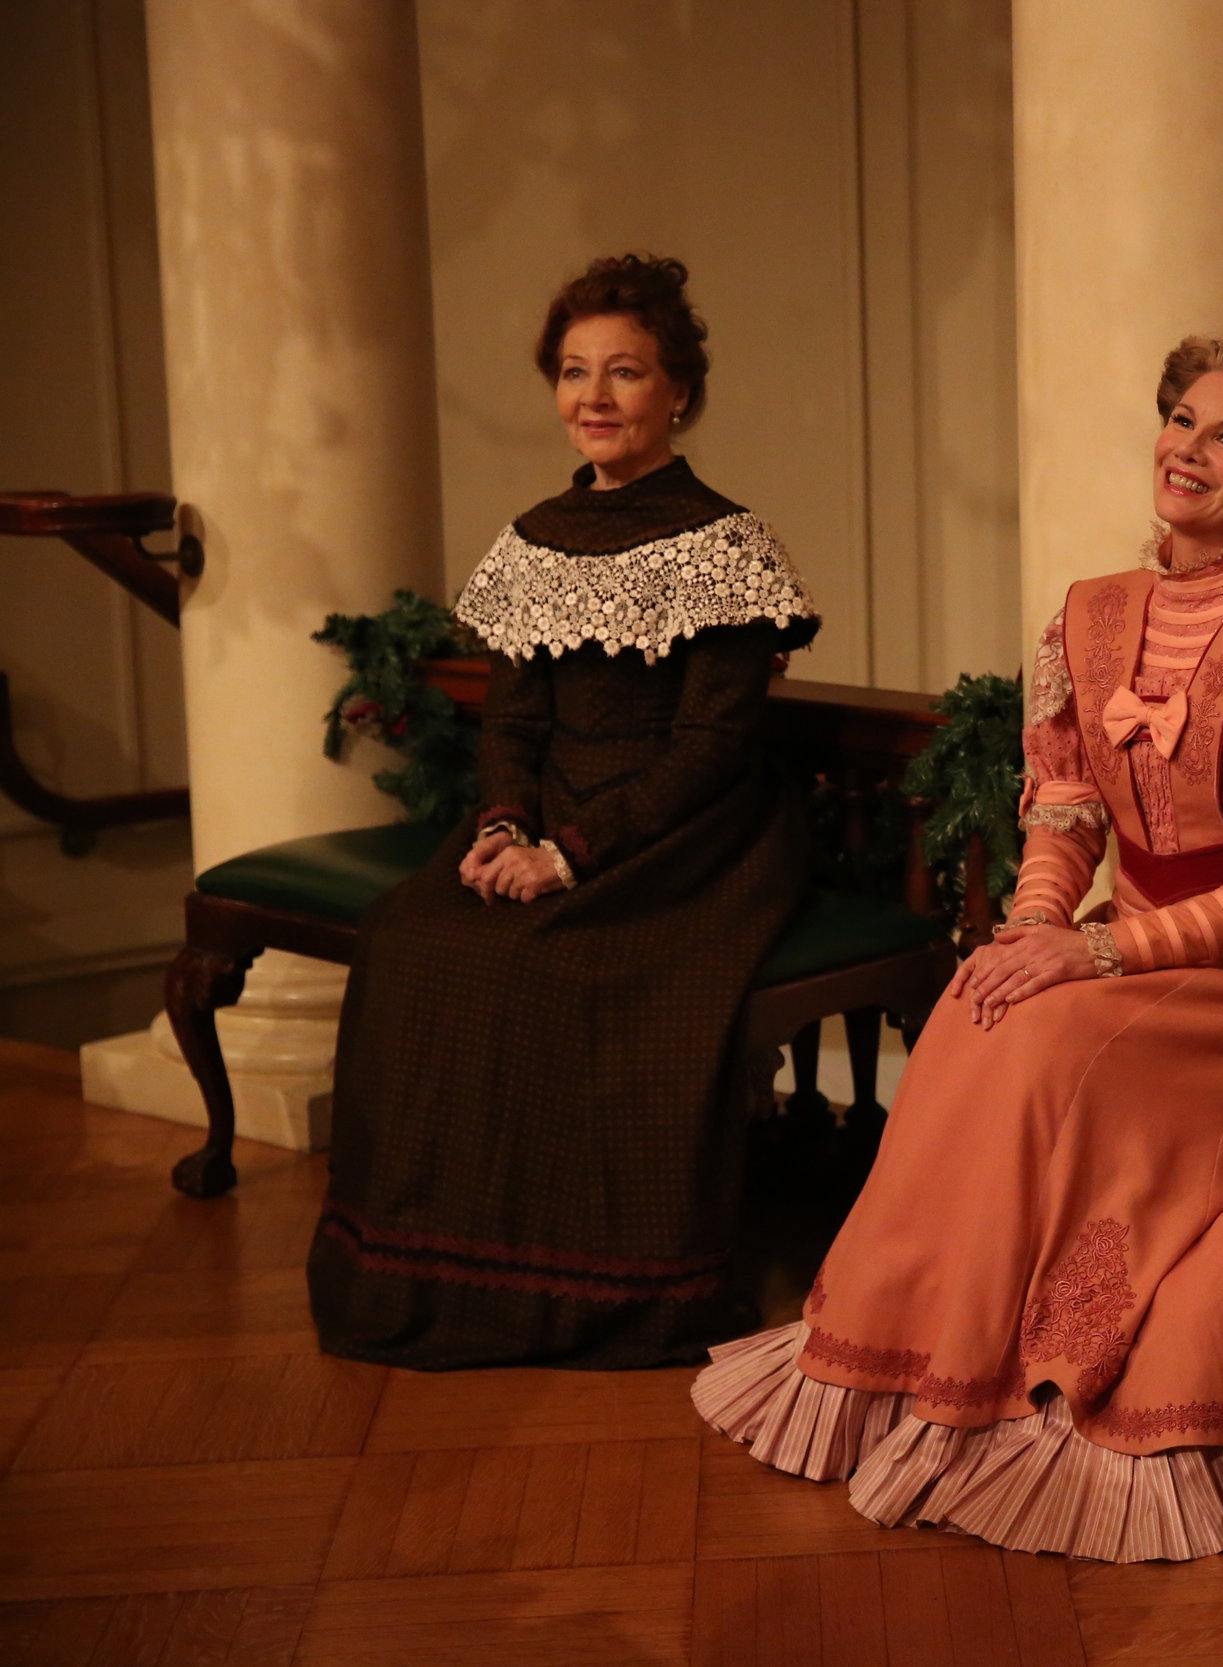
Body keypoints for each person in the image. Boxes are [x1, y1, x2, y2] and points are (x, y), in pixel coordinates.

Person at [692, 329, 1223, 1562]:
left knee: (1048, 1041)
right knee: (984, 1001)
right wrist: (1033, 925)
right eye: (1182, 418)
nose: (1187, 447)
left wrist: (1105, 957)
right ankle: (905, 1354)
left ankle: (1015, 1374)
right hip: (1135, 939)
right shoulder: (1088, 613)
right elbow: (1065, 805)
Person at [310, 254, 819, 1370]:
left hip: (693, 830)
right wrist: (501, 826)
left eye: (624, 372)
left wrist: (570, 854)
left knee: (557, 961)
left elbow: (711, 748)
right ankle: (427, 1277)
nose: (593, 396)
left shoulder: (723, 544)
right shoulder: (535, 537)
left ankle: (610, 1290)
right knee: (416, 940)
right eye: (574, 371)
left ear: (676, 392)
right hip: (545, 811)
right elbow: (513, 724)